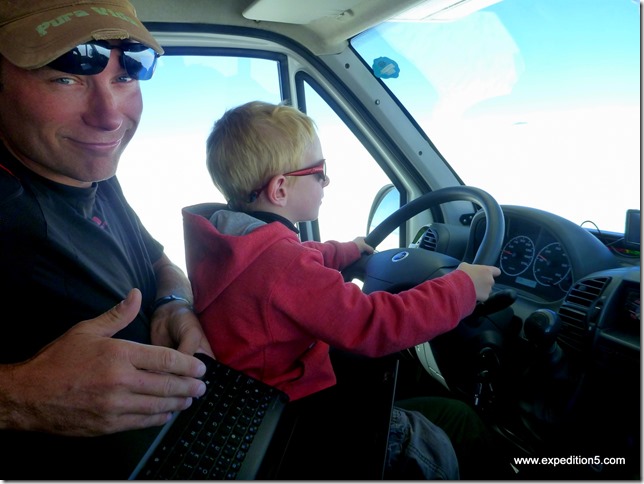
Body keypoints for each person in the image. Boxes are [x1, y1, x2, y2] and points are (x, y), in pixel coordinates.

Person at [182, 100, 503, 479]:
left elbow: (292, 258)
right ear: (281, 189)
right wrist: (463, 286)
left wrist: (346, 251)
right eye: (319, 172)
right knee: (442, 433)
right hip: (297, 417)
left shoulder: (226, 235)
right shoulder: (284, 266)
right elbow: (377, 324)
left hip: (257, 400)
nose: (326, 181)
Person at [0, 0, 213, 479]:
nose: (110, 117)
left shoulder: (90, 176)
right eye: (66, 76)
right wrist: (18, 398)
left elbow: (157, 260)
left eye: (126, 74)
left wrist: (174, 304)